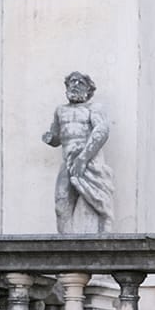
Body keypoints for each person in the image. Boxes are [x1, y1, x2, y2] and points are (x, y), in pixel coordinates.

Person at [41, 70, 114, 233]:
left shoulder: (93, 108)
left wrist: (83, 158)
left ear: (88, 89)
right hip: (67, 162)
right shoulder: (60, 110)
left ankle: (104, 238)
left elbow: (102, 132)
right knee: (61, 204)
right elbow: (58, 136)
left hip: (89, 162)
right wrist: (51, 138)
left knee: (96, 202)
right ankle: (65, 245)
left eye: (80, 83)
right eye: (72, 82)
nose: (75, 85)